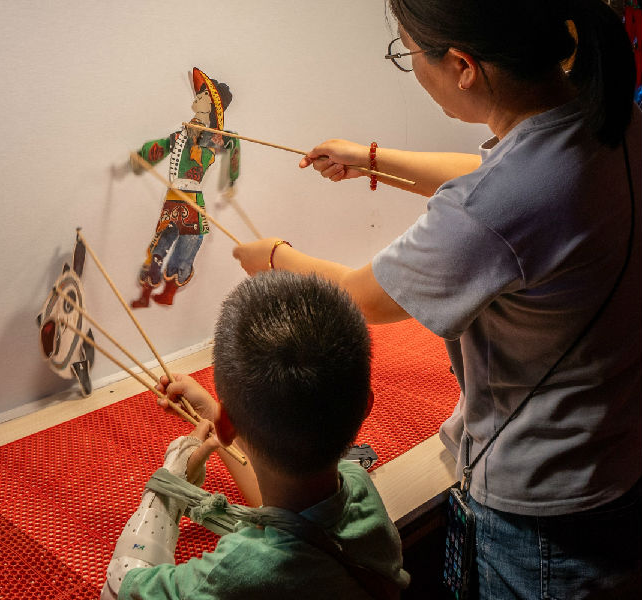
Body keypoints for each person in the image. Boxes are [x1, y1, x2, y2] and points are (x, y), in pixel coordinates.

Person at [233, 1, 641, 598]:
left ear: (462, 65)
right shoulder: (607, 119)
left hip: (545, 509)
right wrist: (371, 160)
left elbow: (362, 297)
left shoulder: (498, 203)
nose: (414, 70)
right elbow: (489, 172)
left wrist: (272, 258)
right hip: (613, 461)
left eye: (408, 54)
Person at [100, 271, 410, 599]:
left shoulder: (237, 573)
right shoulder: (360, 490)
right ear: (365, 406)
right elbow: (284, 508)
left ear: (226, 425)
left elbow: (119, 586)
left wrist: (169, 485)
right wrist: (213, 413)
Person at [130, 67, 241, 308]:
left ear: (210, 107)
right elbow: (162, 145)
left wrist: (232, 180)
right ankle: (146, 294)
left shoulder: (212, 137)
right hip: (174, 196)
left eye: (202, 96)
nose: (197, 98)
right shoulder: (182, 133)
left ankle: (168, 292)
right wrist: (143, 156)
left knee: (187, 245)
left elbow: (232, 143)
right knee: (160, 243)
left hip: (191, 197)